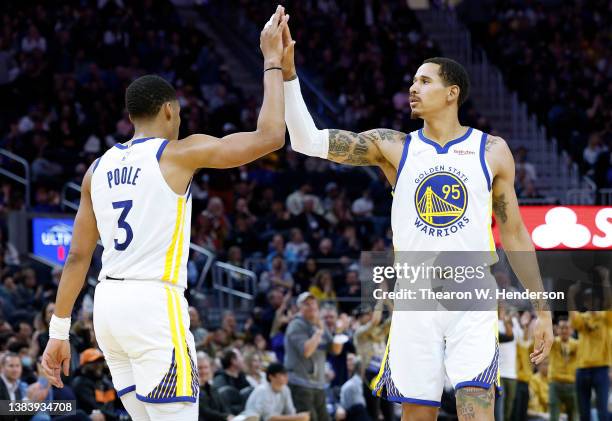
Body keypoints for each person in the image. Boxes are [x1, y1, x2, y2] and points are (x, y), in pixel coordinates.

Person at [280, 22, 553, 421]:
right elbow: (306, 140)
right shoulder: (393, 146)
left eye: (424, 81)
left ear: (451, 93)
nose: (413, 88)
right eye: (413, 81)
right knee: (417, 415)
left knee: (477, 410)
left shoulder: (492, 150)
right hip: (415, 294)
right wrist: (287, 75)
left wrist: (542, 309)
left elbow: (514, 233)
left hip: (471, 291)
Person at [40, 7, 289, 421]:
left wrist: (58, 332)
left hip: (106, 306)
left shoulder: (96, 169)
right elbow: (270, 136)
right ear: (170, 110)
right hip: (153, 303)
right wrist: (272, 60)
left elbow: (79, 258)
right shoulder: (177, 153)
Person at [284, 292, 344, 421]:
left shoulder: (319, 324)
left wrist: (339, 332)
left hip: (319, 384)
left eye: (313, 303)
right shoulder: (296, 325)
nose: (311, 306)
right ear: (300, 308)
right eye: (306, 304)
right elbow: (307, 351)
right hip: (300, 383)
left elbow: (335, 350)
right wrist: (318, 332)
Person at [243, 362, 309, 421]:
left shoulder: (285, 389)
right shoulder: (263, 390)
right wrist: (297, 418)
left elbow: (290, 412)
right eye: (282, 374)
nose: (286, 377)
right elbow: (269, 418)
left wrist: (298, 417)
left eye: (286, 374)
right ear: (271, 377)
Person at [548, 318, 578, 421]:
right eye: (561, 328)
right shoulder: (552, 342)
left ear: (571, 330)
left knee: (574, 417)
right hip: (555, 383)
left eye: (566, 328)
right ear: (557, 330)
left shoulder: (577, 345)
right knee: (553, 417)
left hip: (572, 384)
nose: (564, 331)